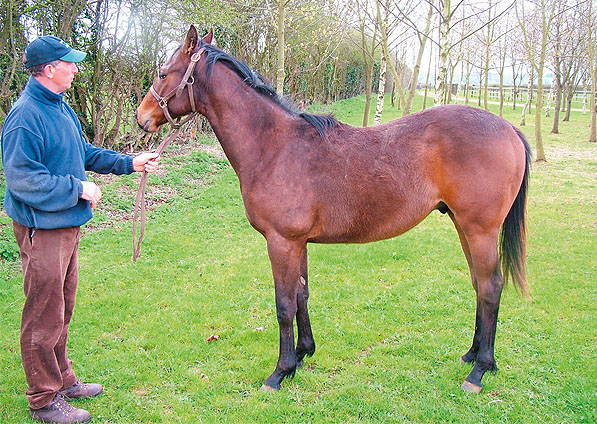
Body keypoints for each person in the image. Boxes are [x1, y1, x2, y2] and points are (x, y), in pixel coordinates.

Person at [1, 35, 160, 423]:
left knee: (62, 307)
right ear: (49, 69)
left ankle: (63, 379)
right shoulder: (25, 117)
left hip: (66, 226)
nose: (75, 68)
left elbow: (84, 152)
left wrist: (130, 162)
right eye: (68, 63)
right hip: (43, 229)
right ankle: (42, 399)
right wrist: (77, 188)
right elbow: (21, 179)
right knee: (43, 313)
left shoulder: (60, 107)